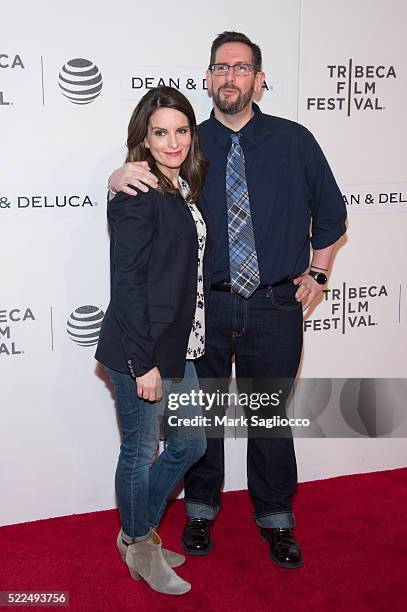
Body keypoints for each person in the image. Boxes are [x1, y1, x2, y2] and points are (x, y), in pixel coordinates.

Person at [107, 31, 347, 569]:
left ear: (259, 80)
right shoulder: (189, 144)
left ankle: (276, 518)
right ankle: (199, 509)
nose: (230, 77)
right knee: (202, 417)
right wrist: (117, 175)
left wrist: (319, 272)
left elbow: (332, 215)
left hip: (274, 305)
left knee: (268, 417)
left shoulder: (295, 141)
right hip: (204, 310)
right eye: (221, 68)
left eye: (241, 68)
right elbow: (139, 182)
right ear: (209, 78)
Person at [96, 86, 214, 595]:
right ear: (143, 138)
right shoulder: (138, 191)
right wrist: (142, 362)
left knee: (190, 443)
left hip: (177, 345)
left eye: (182, 130)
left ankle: (135, 531)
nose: (173, 142)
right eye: (161, 132)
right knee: (140, 449)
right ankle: (141, 546)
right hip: (139, 348)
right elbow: (127, 283)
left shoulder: (180, 186)